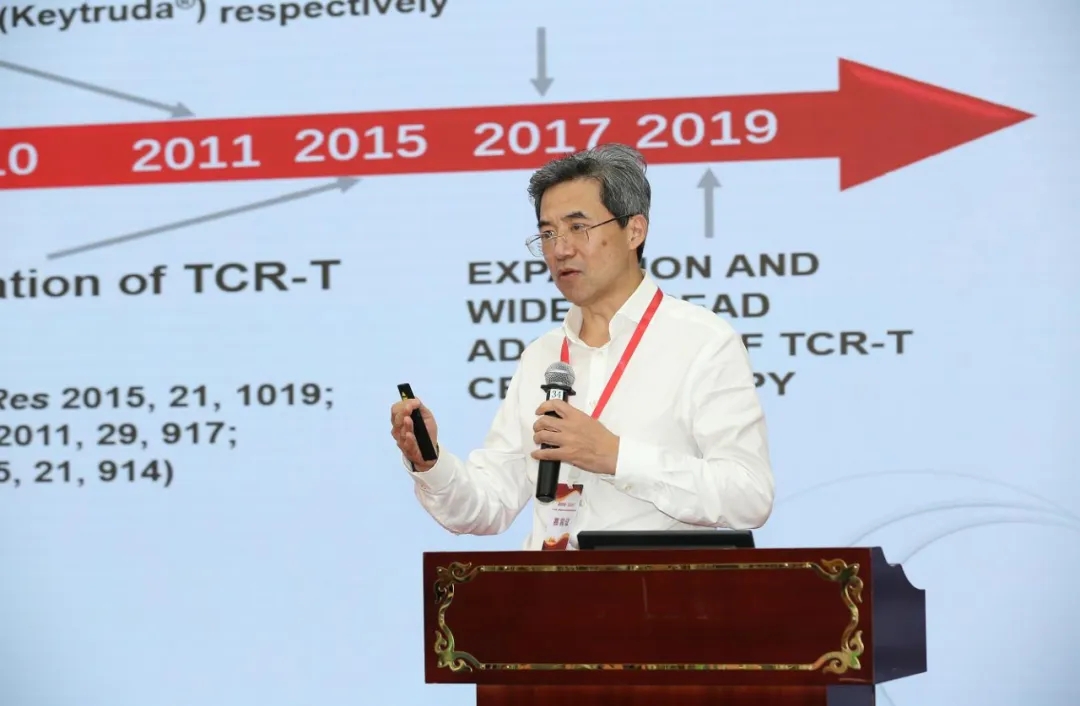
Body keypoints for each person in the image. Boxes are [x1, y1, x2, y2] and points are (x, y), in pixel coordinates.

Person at [389, 143, 774, 550]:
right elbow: (488, 506)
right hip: (550, 588)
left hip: (654, 587)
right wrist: (429, 461)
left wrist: (615, 456)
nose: (560, 249)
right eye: (547, 233)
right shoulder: (542, 356)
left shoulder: (703, 342)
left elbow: (748, 496)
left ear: (634, 230)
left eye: (578, 227)